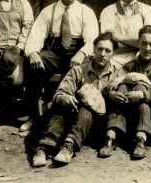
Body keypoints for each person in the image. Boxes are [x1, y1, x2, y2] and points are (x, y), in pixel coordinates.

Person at [30, 33, 120, 167]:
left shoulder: (118, 74)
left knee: (86, 109)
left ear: (113, 53)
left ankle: (68, 147)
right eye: (100, 49)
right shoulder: (78, 70)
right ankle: (44, 147)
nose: (103, 54)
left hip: (97, 124)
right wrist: (65, 97)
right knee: (62, 105)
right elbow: (60, 92)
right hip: (72, 120)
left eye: (108, 50)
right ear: (93, 49)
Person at [24, 0, 99, 119]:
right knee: (31, 61)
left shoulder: (86, 12)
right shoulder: (48, 11)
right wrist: (33, 53)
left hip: (78, 52)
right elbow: (35, 37)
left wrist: (82, 53)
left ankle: (75, 114)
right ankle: (35, 115)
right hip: (55, 53)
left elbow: (92, 41)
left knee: (88, 66)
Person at [99, 25, 151, 160]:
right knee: (121, 86)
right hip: (127, 113)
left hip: (150, 117)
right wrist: (113, 94)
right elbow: (110, 87)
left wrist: (142, 94)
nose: (147, 48)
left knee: (140, 88)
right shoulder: (129, 65)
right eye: (144, 43)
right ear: (138, 43)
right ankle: (111, 136)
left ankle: (141, 140)